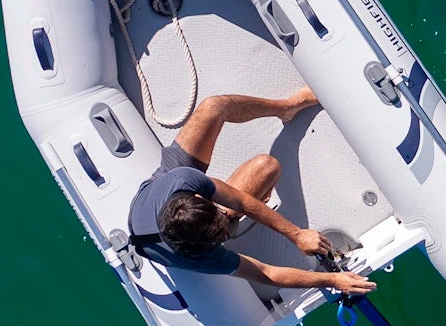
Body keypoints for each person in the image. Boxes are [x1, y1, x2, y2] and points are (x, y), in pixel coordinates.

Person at [126, 88, 376, 294]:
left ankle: (286, 107)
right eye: (221, 222)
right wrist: (332, 280)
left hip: (162, 186)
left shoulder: (181, 179)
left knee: (214, 106)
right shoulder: (203, 257)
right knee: (266, 167)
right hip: (165, 236)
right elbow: (268, 273)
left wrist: (297, 234)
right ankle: (229, 218)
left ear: (195, 196)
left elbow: (242, 202)